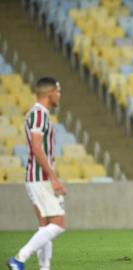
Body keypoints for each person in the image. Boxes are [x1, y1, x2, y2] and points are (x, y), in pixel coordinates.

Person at [7, 77, 66, 270]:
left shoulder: (40, 114)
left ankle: (43, 267)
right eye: (58, 92)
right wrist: (53, 178)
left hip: (37, 176)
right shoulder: (39, 114)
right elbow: (37, 148)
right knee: (58, 224)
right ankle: (19, 258)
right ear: (50, 94)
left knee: (45, 226)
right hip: (39, 177)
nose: (59, 95)